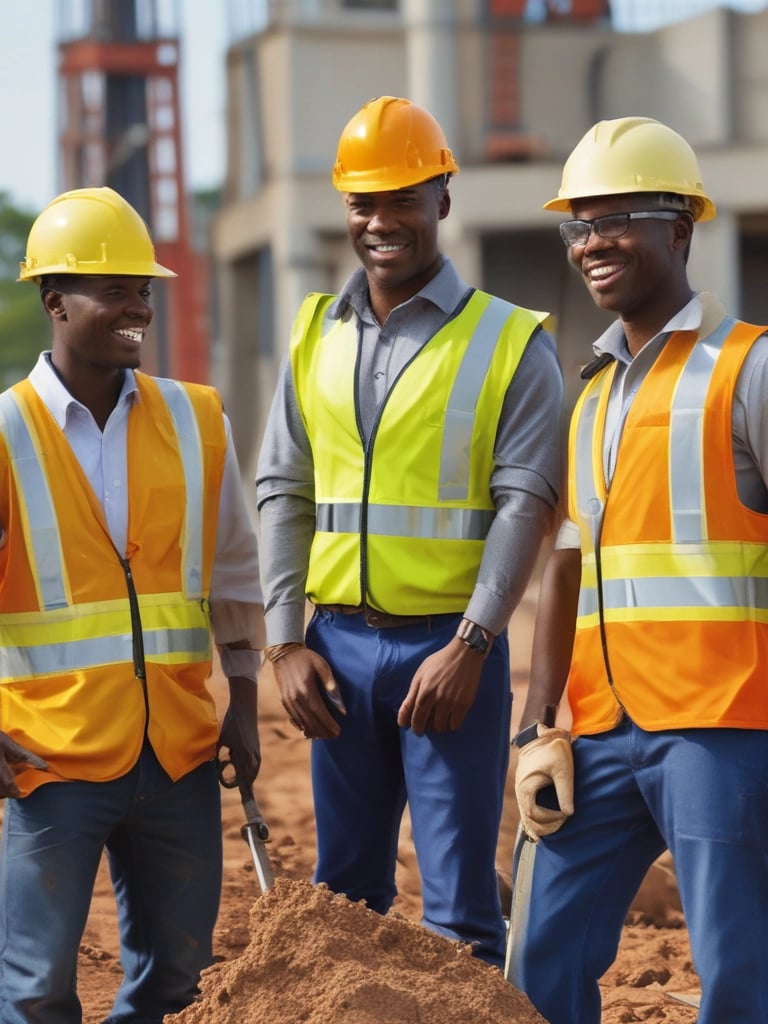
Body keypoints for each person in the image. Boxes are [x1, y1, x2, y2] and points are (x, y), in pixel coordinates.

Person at [255, 95, 563, 969]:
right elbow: (283, 487)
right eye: (364, 202)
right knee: (343, 898)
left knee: (461, 914)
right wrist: (285, 644)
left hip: (450, 656)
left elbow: (525, 506)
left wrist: (472, 644)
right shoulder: (314, 332)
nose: (381, 221)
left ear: (444, 201)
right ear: (345, 208)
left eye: (403, 198)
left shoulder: (510, 341)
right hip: (336, 652)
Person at [511, 116, 768, 1023]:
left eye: (614, 218)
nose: (591, 243)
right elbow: (566, 569)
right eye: (577, 225)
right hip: (602, 733)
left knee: (739, 968)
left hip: (722, 728)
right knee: (539, 959)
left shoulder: (750, 368)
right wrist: (538, 725)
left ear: (681, 229)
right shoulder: (590, 399)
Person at [0, 186, 265, 1024]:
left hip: (180, 752)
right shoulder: (6, 433)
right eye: (114, 290)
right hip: (53, 757)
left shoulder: (197, 418)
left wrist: (246, 700)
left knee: (174, 985)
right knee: (37, 989)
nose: (137, 308)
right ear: (55, 301)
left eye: (143, 289)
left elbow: (232, 571)